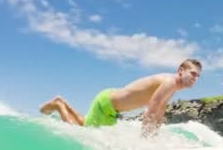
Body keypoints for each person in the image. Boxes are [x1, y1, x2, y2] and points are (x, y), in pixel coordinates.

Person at [39, 58, 202, 137]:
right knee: (81, 134)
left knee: (85, 125)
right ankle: (59, 106)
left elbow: (159, 113)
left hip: (110, 105)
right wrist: (146, 145)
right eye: (193, 73)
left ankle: (62, 103)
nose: (195, 78)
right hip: (107, 103)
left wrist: (155, 139)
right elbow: (151, 111)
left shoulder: (172, 87)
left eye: (198, 76)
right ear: (181, 70)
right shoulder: (169, 82)